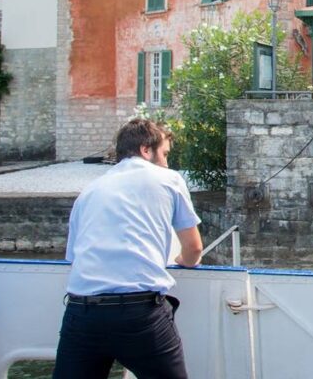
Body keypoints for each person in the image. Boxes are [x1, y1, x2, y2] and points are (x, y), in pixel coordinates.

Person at [53, 118, 203, 379]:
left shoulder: (89, 192)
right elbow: (194, 249)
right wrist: (182, 259)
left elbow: (75, 257)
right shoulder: (168, 179)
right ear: (146, 149)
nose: (167, 162)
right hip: (139, 313)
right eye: (165, 154)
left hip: (82, 312)